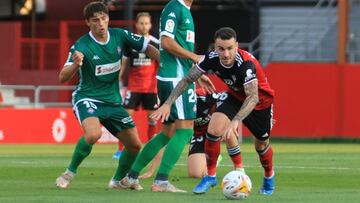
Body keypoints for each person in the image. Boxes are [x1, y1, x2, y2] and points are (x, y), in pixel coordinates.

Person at [151, 27, 275, 195]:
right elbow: (187, 79)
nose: (225, 54)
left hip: (260, 103)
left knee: (261, 145)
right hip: (234, 97)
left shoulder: (246, 64)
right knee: (213, 130)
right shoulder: (210, 59)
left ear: (237, 46)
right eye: (221, 48)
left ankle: (268, 176)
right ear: (215, 48)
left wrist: (236, 121)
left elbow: (252, 97)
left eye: (230, 48)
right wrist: (167, 103)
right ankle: (210, 177)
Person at [55, 1, 159, 189]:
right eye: (95, 20)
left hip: (112, 102)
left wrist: (165, 62)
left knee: (135, 146)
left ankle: (117, 181)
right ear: (88, 22)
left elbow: (147, 47)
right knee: (93, 134)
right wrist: (75, 64)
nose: (101, 24)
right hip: (88, 98)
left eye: (104, 18)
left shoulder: (120, 35)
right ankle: (69, 173)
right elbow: (63, 77)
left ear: (108, 18)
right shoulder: (82, 45)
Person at [119, 0, 214, 193]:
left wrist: (197, 74)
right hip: (175, 79)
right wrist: (195, 58)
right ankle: (161, 181)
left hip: (176, 76)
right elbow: (166, 43)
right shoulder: (175, 7)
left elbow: (176, 48)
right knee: (186, 130)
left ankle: (131, 177)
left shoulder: (184, 10)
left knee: (167, 133)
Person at [113, 12, 160, 160]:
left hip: (151, 89)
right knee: (124, 118)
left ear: (150, 25)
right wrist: (117, 82)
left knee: (152, 120)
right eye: (141, 23)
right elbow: (124, 65)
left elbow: (161, 66)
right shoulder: (130, 42)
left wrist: (160, 88)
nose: (144, 26)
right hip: (133, 88)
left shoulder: (156, 43)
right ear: (136, 25)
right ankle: (120, 150)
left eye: (146, 23)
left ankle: (151, 150)